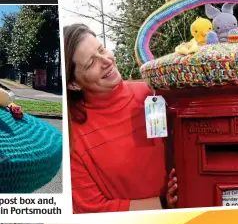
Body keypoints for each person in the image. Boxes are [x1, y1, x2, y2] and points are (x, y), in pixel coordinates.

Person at [64, 23, 178, 213]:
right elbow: (91, 209)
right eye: (91, 63)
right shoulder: (73, 138)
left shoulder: (154, 94)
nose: (106, 60)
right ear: (73, 84)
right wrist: (164, 203)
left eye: (101, 49)